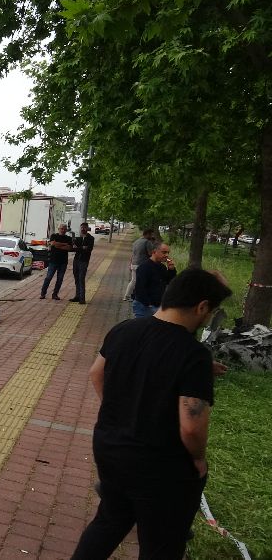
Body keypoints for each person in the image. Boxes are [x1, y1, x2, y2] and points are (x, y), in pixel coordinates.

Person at [71, 268, 233, 560]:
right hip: (160, 466)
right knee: (162, 543)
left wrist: (121, 411)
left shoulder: (124, 329)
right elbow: (191, 427)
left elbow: (97, 373)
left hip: (111, 449)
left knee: (109, 521)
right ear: (202, 307)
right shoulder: (192, 353)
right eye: (212, 311)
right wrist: (198, 458)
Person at [132, 243, 176, 318]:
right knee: (143, 328)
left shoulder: (162, 267)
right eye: (164, 252)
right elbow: (140, 288)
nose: (166, 255)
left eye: (168, 253)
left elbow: (169, 282)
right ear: (154, 252)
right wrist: (148, 304)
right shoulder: (144, 267)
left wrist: (171, 270)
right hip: (144, 306)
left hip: (157, 305)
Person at [40, 223, 73, 300]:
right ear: (58, 229)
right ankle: (43, 293)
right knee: (48, 277)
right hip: (53, 261)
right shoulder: (54, 236)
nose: (63, 230)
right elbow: (53, 244)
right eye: (61, 228)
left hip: (63, 262)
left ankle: (55, 294)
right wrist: (64, 244)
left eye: (64, 229)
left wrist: (57, 245)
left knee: (60, 279)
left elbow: (69, 248)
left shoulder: (68, 238)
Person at [123, 228, 155, 301]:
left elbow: (133, 254)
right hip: (142, 264)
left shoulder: (136, 241)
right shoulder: (147, 242)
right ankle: (138, 297)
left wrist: (130, 264)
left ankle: (127, 296)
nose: (152, 236)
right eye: (151, 234)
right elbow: (151, 254)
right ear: (147, 234)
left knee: (133, 281)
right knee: (142, 281)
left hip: (134, 263)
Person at [70, 222, 95, 304]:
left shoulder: (91, 238)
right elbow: (73, 249)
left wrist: (79, 248)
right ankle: (77, 296)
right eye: (81, 227)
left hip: (84, 261)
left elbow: (88, 250)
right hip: (76, 260)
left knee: (81, 279)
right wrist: (82, 248)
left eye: (84, 227)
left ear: (87, 229)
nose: (83, 229)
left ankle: (82, 298)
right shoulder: (78, 238)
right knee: (76, 279)